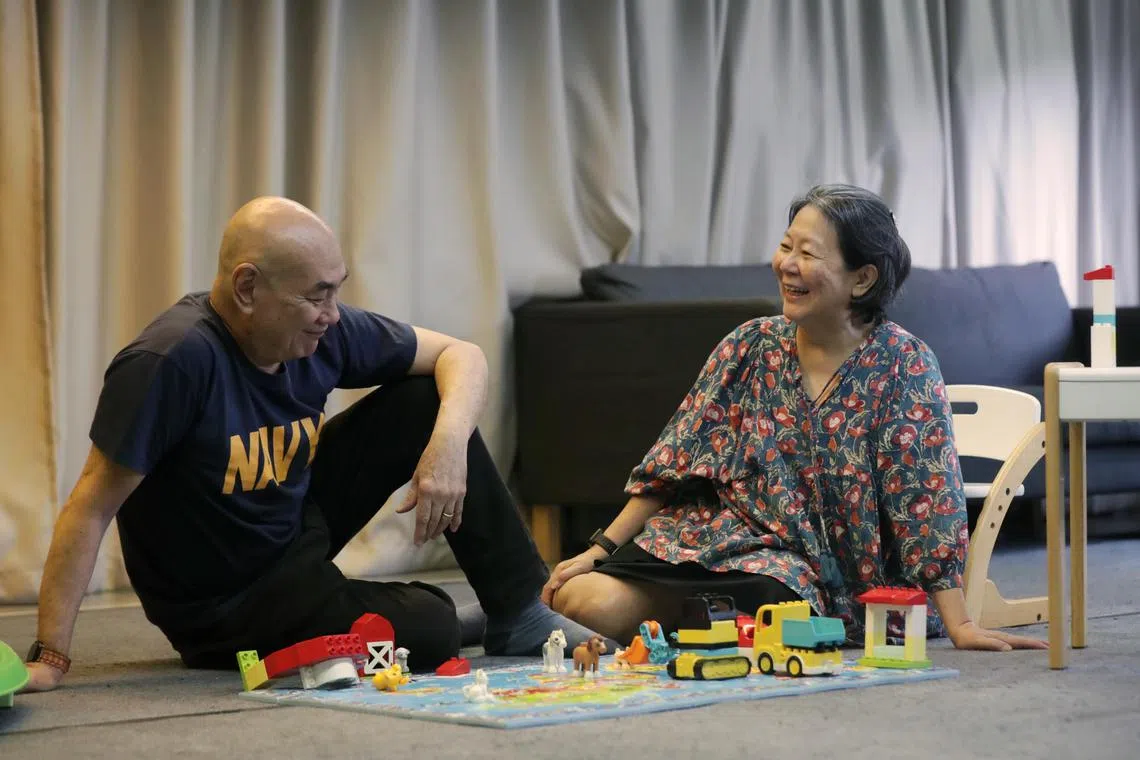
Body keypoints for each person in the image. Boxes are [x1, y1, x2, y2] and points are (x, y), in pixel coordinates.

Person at [22, 196, 606, 692]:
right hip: (226, 604)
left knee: (424, 400)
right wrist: (50, 656)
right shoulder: (170, 362)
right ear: (247, 287)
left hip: (291, 530)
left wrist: (448, 444)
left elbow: (463, 355)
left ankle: (519, 608)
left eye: (336, 293)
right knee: (428, 628)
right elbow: (90, 506)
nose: (332, 314)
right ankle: (458, 618)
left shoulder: (319, 330)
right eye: (316, 296)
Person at [543, 184, 1047, 653]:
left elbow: (925, 503)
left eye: (807, 254)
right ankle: (690, 625)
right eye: (786, 247)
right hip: (717, 542)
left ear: (862, 278)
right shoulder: (748, 345)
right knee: (581, 598)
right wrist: (600, 549)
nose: (787, 264)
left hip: (806, 579)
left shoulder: (903, 365)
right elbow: (675, 463)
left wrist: (959, 624)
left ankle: (701, 627)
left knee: (774, 618)